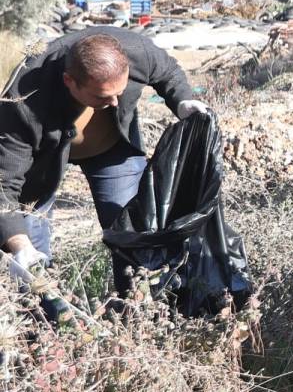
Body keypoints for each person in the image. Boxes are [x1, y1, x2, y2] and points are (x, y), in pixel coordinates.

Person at [0, 28, 206, 290]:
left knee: (132, 231)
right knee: (32, 250)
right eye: (101, 96)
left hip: (110, 148)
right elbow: (4, 186)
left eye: (119, 92)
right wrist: (20, 245)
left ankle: (135, 304)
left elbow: (169, 72)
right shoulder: (23, 98)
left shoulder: (136, 51)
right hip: (41, 162)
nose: (114, 102)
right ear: (69, 81)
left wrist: (183, 102)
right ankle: (46, 315)